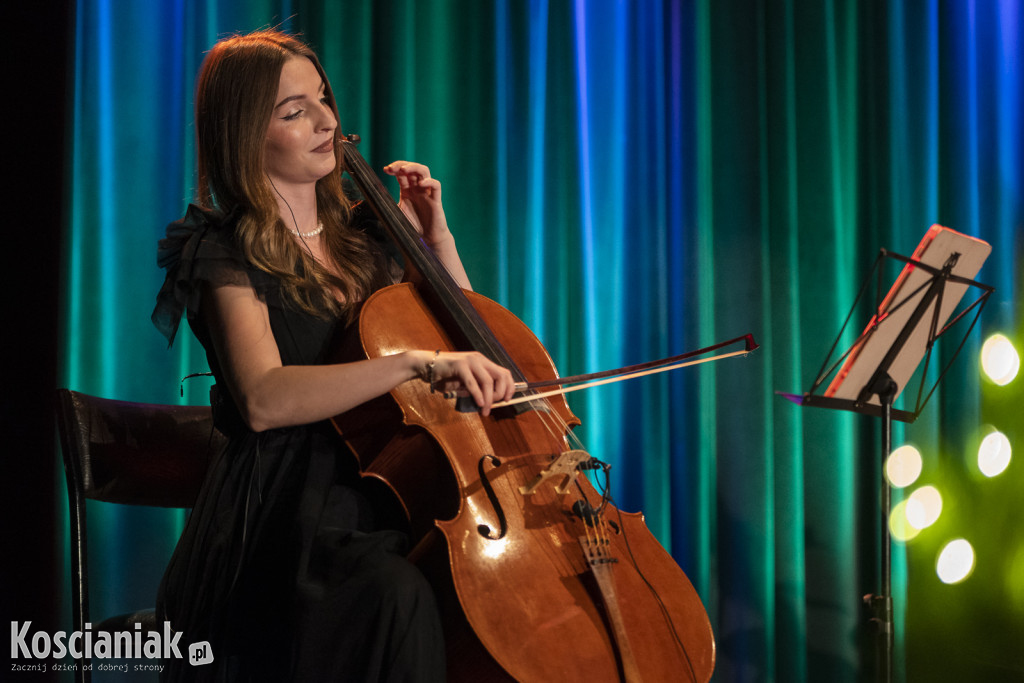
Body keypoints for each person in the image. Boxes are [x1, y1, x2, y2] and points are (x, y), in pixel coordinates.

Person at [152, 29, 515, 682]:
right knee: (396, 595)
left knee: (464, 586)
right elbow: (263, 398)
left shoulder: (364, 240)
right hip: (283, 516)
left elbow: (474, 340)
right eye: (295, 111)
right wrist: (411, 364)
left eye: (323, 99)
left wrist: (436, 238)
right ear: (245, 133)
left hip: (380, 493)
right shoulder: (222, 252)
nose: (327, 121)